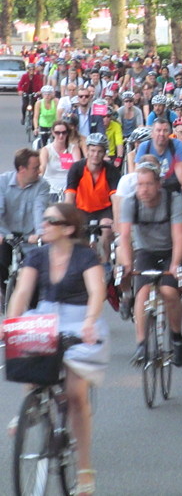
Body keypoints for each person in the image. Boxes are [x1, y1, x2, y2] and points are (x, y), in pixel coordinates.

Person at [3, 203, 110, 495]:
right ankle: (33, 401)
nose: (44, 224)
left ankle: (85, 470)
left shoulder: (86, 256)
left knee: (76, 394)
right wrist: (11, 322)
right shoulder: (36, 255)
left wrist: (90, 321)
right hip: (47, 316)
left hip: (79, 320)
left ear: (68, 229)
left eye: (51, 220)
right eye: (44, 219)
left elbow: (97, 292)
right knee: (25, 343)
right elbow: (22, 293)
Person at [118, 162, 182, 366]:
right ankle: (141, 344)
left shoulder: (172, 201)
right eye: (140, 184)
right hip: (144, 251)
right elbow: (124, 237)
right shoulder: (130, 202)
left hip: (169, 251)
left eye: (148, 184)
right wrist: (128, 264)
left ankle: (177, 338)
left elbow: (179, 237)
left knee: (169, 292)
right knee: (142, 293)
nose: (144, 189)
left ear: (159, 184)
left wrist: (175, 265)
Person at [0, 149, 50, 295]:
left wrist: (40, 235)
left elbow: (39, 210)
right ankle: (2, 291)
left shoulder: (42, 185)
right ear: (22, 169)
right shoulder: (2, 182)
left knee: (36, 275)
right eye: (35, 168)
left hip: (29, 235)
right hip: (5, 233)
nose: (39, 171)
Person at [65, 133, 120, 263]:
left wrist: (117, 222)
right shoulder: (77, 168)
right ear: (87, 151)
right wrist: (66, 219)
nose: (95, 155)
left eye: (100, 151)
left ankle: (106, 263)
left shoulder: (111, 170)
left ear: (104, 153)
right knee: (78, 239)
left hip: (104, 210)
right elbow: (70, 196)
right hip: (82, 209)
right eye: (93, 150)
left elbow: (116, 199)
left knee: (106, 230)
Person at [135, 118, 182, 202]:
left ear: (170, 134)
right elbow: (137, 174)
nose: (161, 134)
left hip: (171, 186)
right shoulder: (144, 147)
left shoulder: (177, 145)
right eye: (158, 130)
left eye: (165, 131)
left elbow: (181, 174)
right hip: (150, 186)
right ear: (152, 133)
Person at [40, 120, 82, 202]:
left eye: (64, 132)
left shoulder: (74, 148)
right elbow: (43, 167)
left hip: (69, 188)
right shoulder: (46, 150)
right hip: (51, 188)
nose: (61, 135)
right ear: (53, 133)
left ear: (67, 133)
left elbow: (77, 167)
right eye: (57, 133)